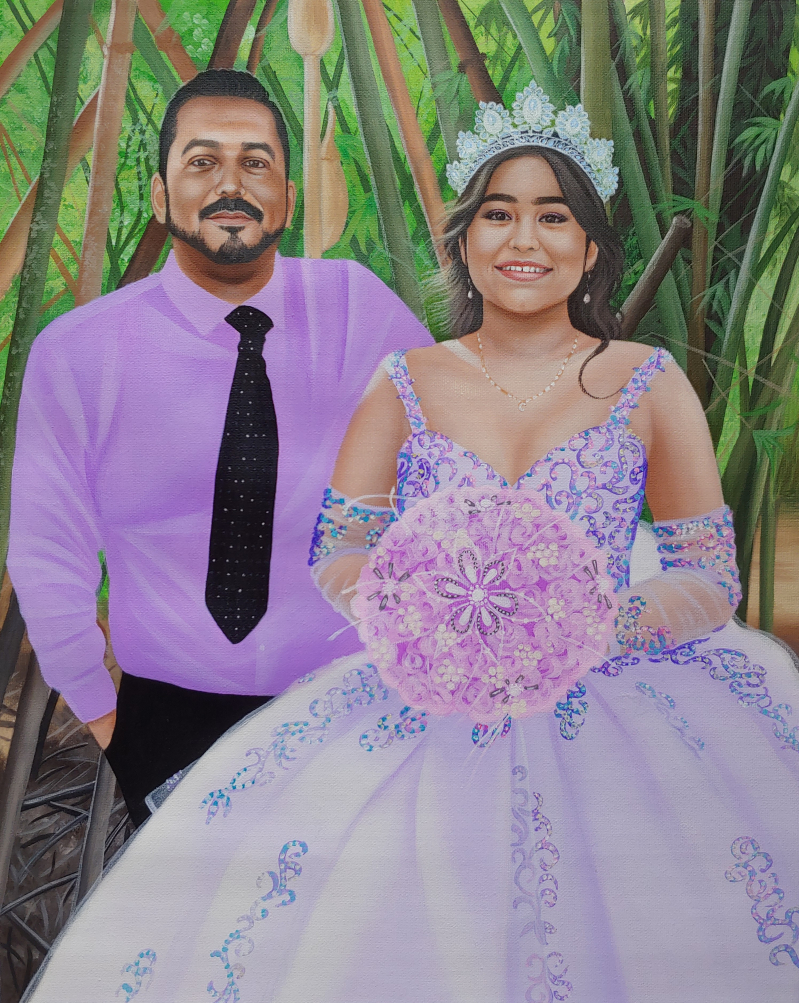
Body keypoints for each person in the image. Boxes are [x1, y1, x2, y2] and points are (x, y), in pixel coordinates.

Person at [22, 85, 799, 1003]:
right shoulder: (399, 377)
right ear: (464, 241)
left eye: (553, 217)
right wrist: (415, 605)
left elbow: (705, 573)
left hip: (593, 708)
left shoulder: (630, 377)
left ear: (590, 245)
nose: (523, 239)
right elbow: (337, 544)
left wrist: (583, 620)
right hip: (333, 709)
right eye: (498, 214)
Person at [7, 68, 432, 826]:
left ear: (288, 198)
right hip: (165, 721)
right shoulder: (79, 351)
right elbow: (48, 555)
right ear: (162, 195)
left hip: (352, 708)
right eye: (201, 161)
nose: (230, 182)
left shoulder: (359, 310)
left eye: (255, 161)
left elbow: (439, 491)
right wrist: (111, 723)